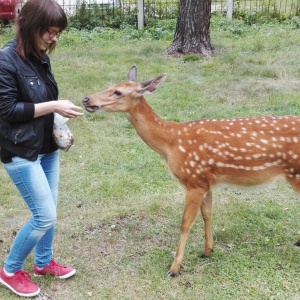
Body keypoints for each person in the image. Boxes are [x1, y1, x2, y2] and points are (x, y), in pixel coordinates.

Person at [0, 0, 84, 297]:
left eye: (58, 32)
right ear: (33, 25)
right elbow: (8, 110)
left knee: (50, 207)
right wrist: (54, 105)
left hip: (46, 147)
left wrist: (58, 115)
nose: (54, 38)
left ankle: (44, 262)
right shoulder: (5, 61)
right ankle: (10, 270)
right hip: (20, 151)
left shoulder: (39, 57)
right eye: (51, 31)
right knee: (44, 214)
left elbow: (41, 99)